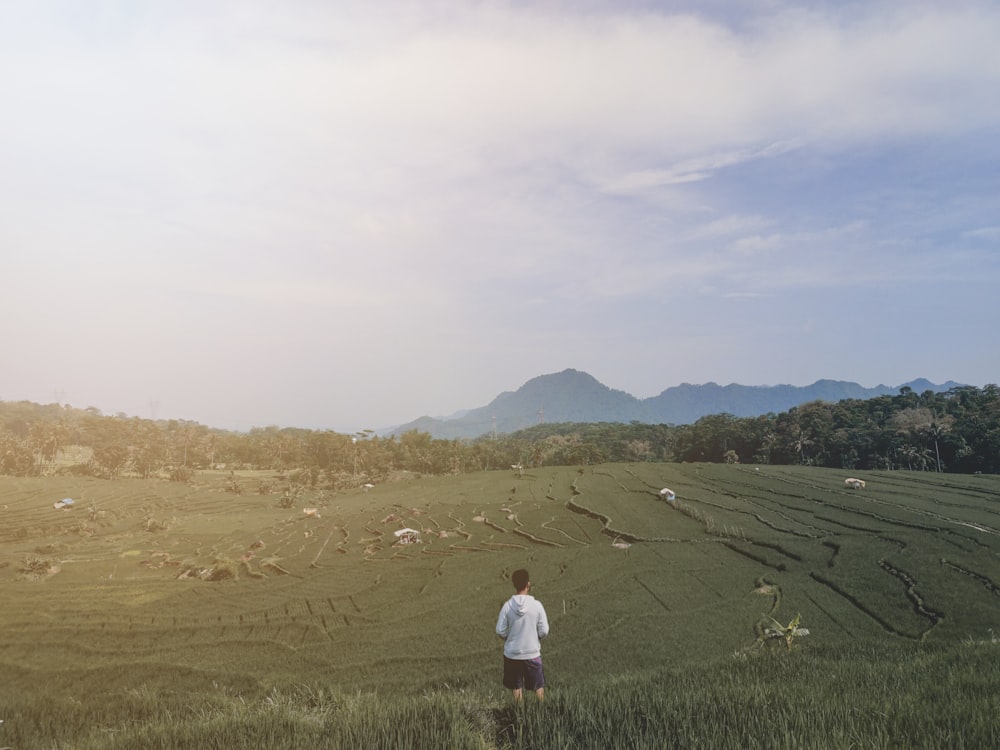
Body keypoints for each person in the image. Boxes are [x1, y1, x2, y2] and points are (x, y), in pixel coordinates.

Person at [495, 568, 549, 701]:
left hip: (512, 653)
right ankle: (540, 715)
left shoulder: (507, 606)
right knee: (538, 687)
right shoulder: (537, 606)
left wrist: (510, 638)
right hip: (532, 652)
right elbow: (544, 630)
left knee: (516, 687)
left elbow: (500, 630)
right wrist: (535, 638)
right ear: (528, 584)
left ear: (514, 584)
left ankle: (519, 716)